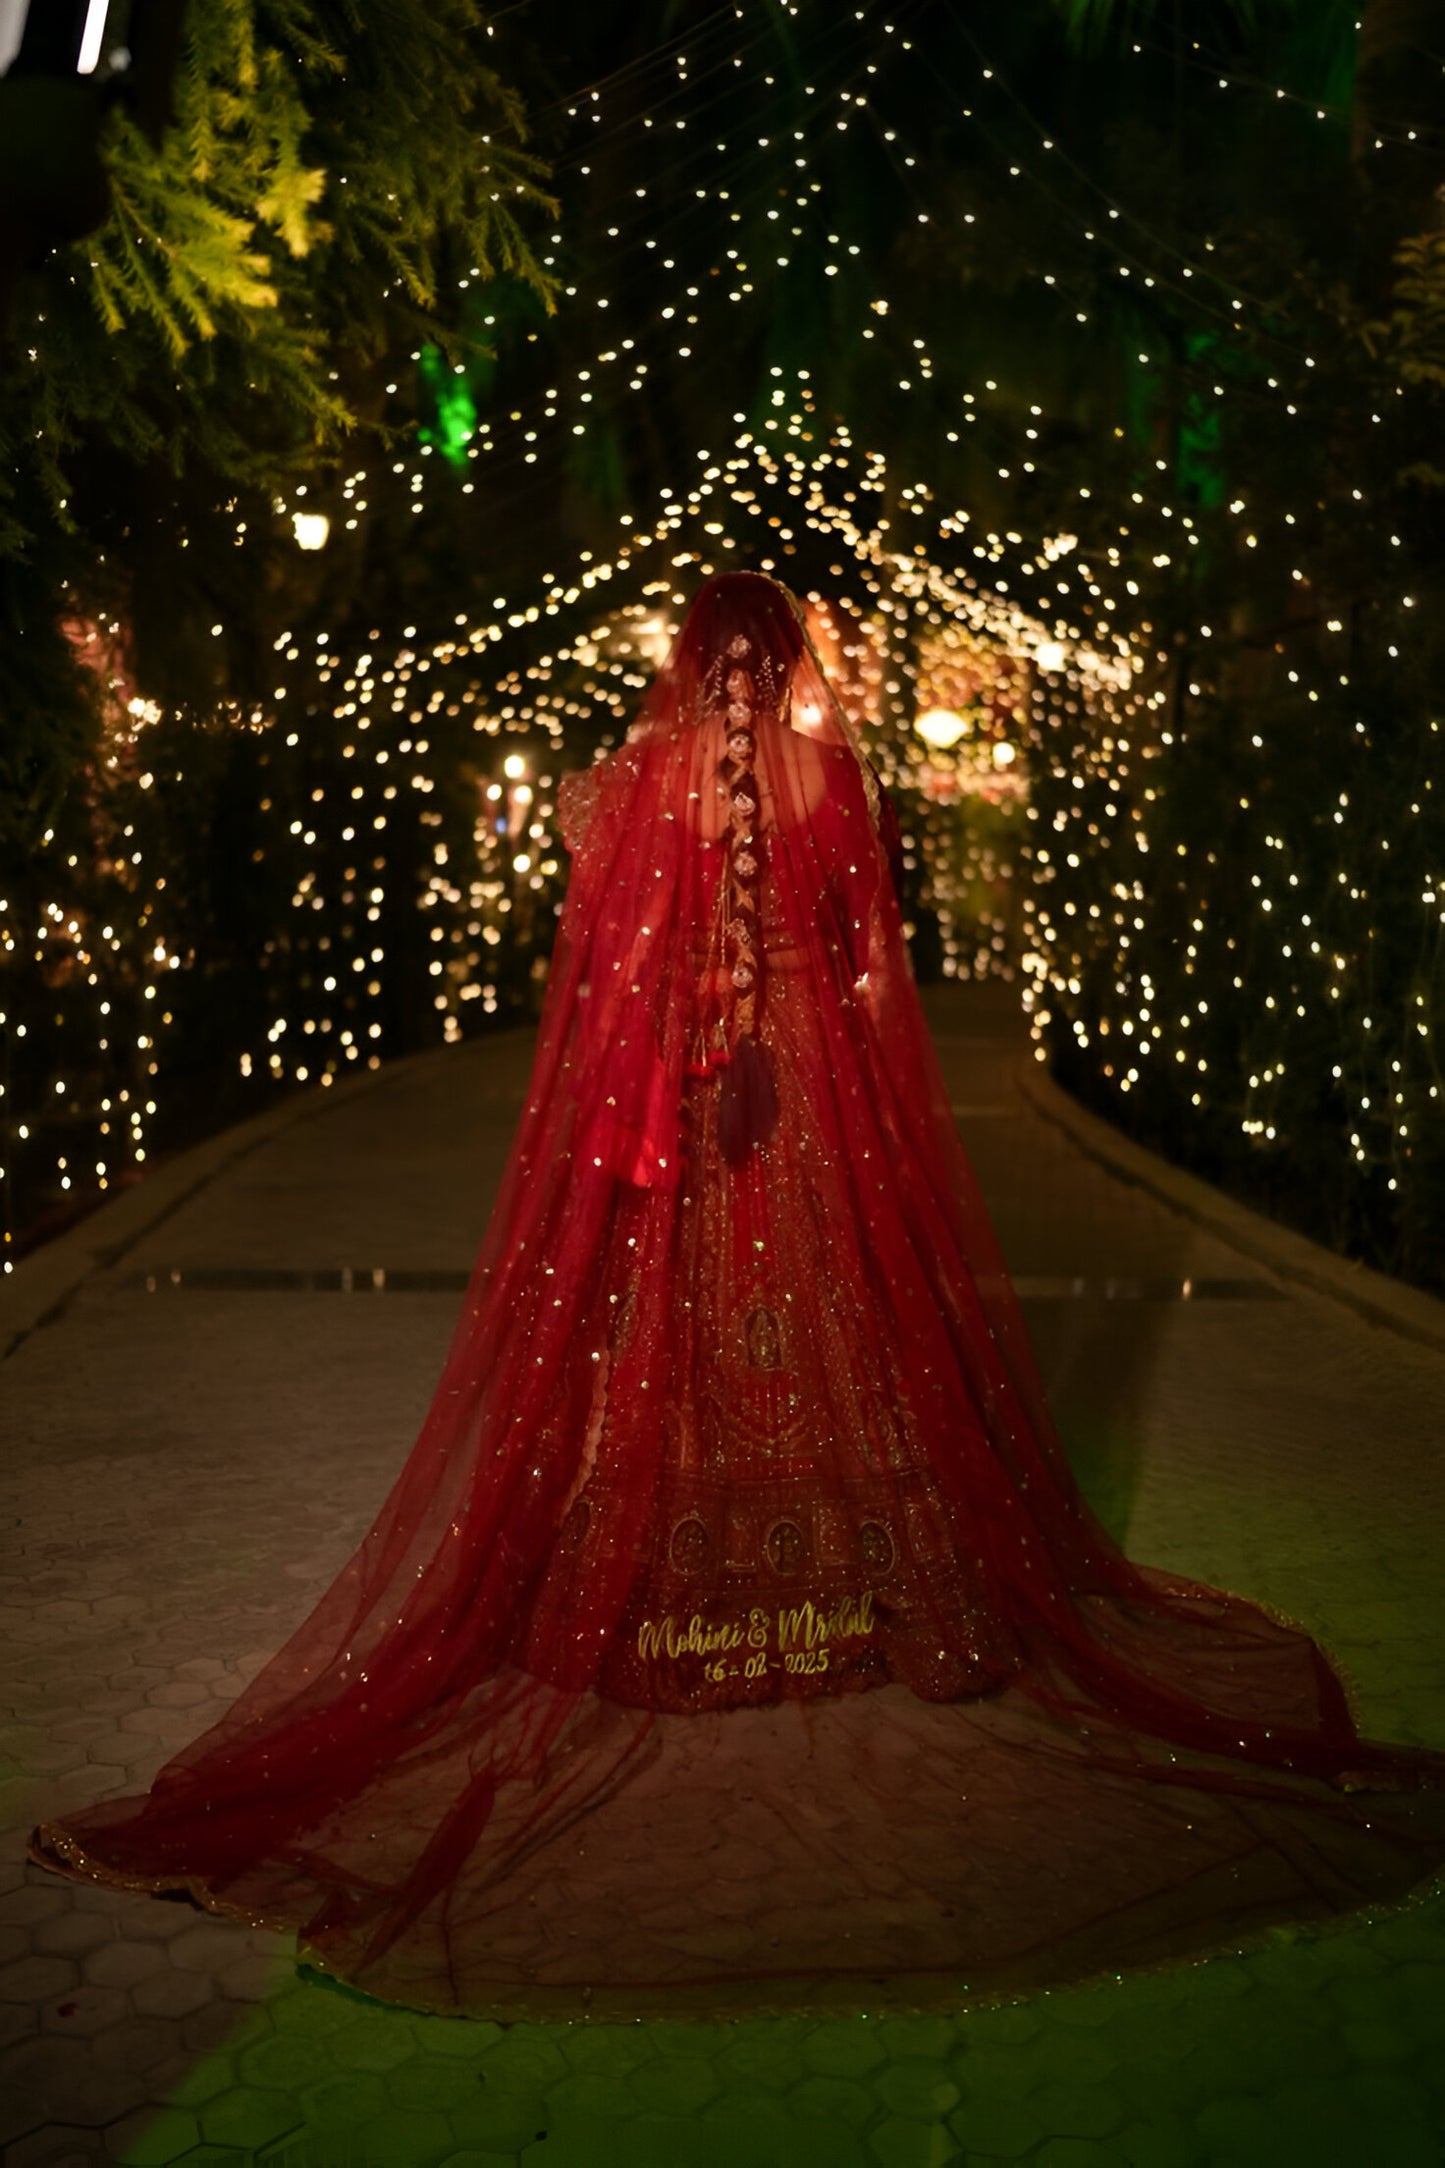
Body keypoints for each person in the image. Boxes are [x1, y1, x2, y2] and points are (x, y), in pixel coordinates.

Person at [31, 571, 1445, 2018]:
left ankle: (667, 1613)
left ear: (684, 661)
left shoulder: (620, 790)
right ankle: (864, 1604)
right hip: (816, 1122)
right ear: (793, 667)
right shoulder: (835, 783)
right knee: (847, 1327)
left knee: (671, 1341)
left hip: (688, 1120)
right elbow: (863, 973)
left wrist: (680, 1004)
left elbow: (588, 975)